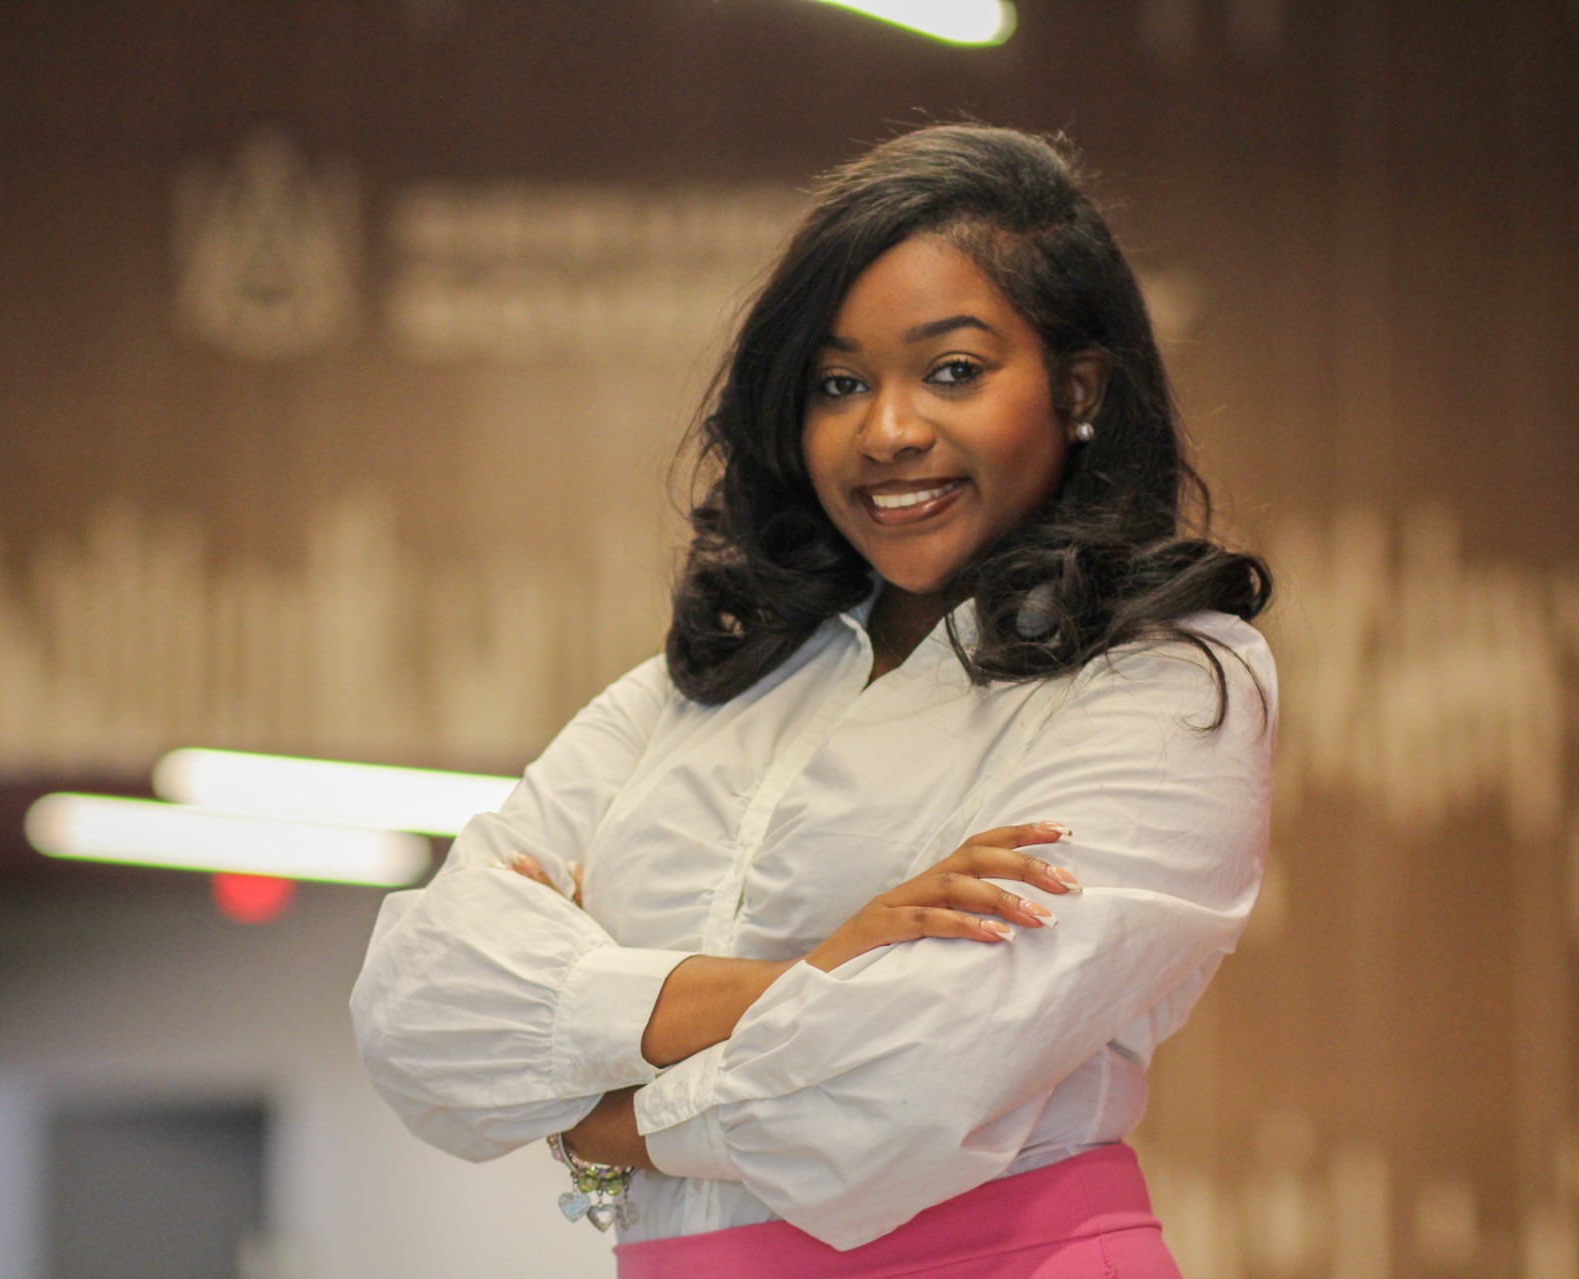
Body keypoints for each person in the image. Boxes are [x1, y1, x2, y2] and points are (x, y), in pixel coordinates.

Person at [351, 123, 1274, 1277]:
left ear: (1077, 388)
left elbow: (913, 1075)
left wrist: (600, 1118)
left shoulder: (1164, 680)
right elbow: (418, 1000)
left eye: (954, 371)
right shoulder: (698, 688)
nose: (886, 431)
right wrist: (809, 979)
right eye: (839, 383)